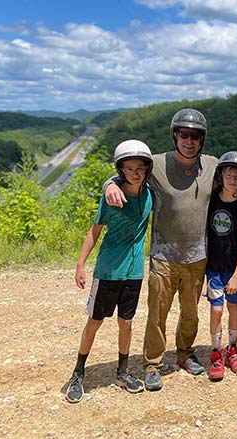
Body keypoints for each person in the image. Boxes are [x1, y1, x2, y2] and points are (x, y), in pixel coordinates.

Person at [102, 109, 217, 391]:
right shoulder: (156, 164)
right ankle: (152, 364)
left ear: (202, 139)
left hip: (197, 255)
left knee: (190, 313)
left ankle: (185, 354)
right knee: (157, 314)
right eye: (184, 135)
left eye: (195, 136)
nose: (189, 141)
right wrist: (109, 184)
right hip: (164, 255)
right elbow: (128, 171)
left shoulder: (212, 165)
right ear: (175, 135)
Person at [66, 140, 154, 402]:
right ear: (121, 170)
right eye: (129, 169)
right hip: (107, 271)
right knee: (94, 322)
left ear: (147, 169)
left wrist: (111, 182)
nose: (135, 173)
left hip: (134, 272)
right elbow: (94, 231)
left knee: (126, 323)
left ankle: (123, 371)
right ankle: (78, 373)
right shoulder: (112, 198)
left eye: (140, 168)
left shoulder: (150, 195)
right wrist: (81, 264)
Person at [205, 151, 237, 381]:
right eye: (228, 175)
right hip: (214, 266)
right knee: (216, 309)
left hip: (234, 268)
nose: (232, 180)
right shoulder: (211, 201)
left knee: (234, 307)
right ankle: (216, 351)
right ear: (221, 176)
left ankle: (232, 349)